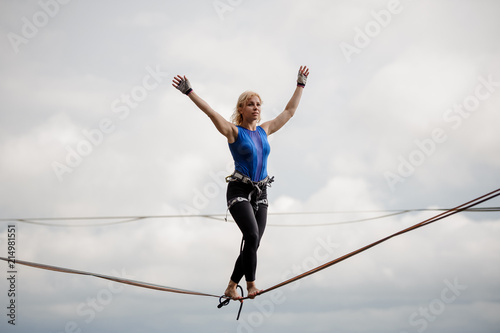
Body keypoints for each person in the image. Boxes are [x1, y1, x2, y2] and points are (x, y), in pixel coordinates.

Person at [172, 66, 309, 301]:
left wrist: (300, 85)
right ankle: (251, 284)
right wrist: (189, 91)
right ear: (241, 109)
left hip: (261, 191)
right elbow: (211, 112)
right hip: (239, 190)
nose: (256, 108)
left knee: (252, 243)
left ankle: (231, 286)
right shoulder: (233, 132)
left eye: (258, 104)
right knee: (252, 236)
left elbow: (289, 111)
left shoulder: (265, 130)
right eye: (251, 104)